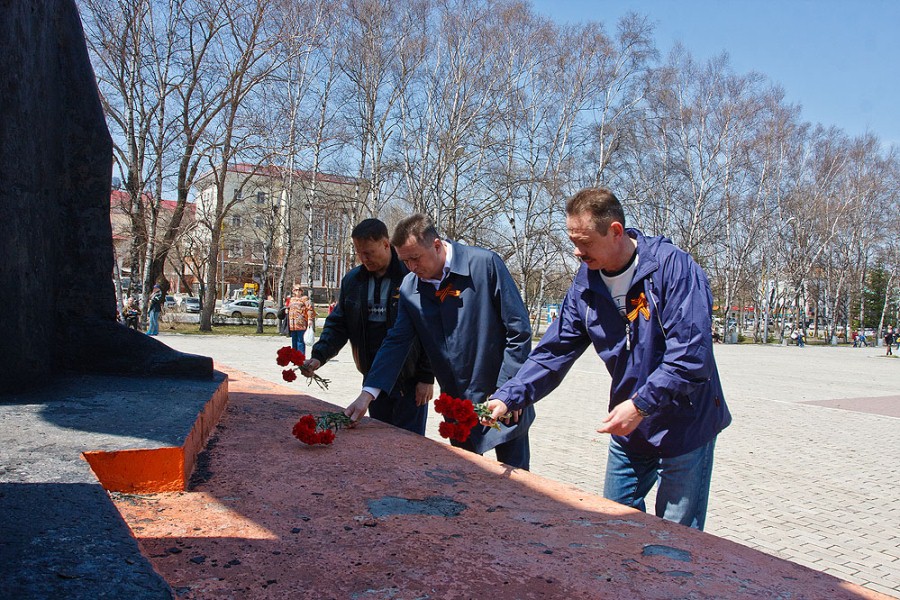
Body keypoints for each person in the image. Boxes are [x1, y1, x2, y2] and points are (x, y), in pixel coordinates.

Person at [484, 187, 731, 530]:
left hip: (684, 425)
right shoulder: (585, 285)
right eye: (573, 240)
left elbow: (690, 356)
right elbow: (555, 350)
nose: (576, 252)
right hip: (629, 427)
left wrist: (641, 404)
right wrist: (509, 396)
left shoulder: (673, 269)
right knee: (612, 523)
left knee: (677, 537)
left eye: (584, 242)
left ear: (615, 231)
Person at [343, 213, 534, 469]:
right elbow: (397, 342)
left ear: (436, 245)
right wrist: (368, 394)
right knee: (466, 481)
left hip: (502, 396)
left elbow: (518, 331)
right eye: (405, 261)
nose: (411, 268)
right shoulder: (411, 288)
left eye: (415, 258)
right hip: (459, 405)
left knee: (518, 485)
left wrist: (510, 388)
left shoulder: (484, 265)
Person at [302, 219, 434, 434]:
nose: (364, 259)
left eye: (369, 252)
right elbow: (338, 324)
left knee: (409, 444)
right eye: (359, 253)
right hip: (372, 376)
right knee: (379, 438)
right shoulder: (352, 281)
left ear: (385, 244)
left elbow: (427, 329)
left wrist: (426, 377)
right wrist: (319, 355)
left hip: (409, 381)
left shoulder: (411, 275)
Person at [287, 286, 315, 353]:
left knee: (300, 341)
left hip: (301, 323)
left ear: (301, 291)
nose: (297, 291)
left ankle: (301, 358)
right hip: (292, 324)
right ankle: (294, 358)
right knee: (294, 341)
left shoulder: (304, 299)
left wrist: (310, 319)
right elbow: (288, 307)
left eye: (299, 290)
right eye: (296, 290)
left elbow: (309, 309)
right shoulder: (291, 299)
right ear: (293, 291)